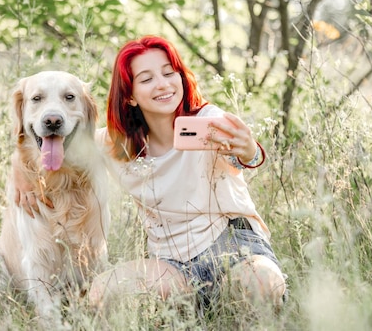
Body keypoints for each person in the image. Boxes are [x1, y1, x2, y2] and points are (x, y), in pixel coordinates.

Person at [15, 35, 287, 312]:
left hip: (233, 247)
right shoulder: (115, 144)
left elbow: (245, 156)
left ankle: (233, 302)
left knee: (261, 283)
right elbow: (48, 146)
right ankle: (198, 307)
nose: (163, 84)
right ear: (130, 95)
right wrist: (19, 173)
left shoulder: (206, 121)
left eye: (169, 73)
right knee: (102, 292)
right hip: (171, 263)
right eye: (146, 79)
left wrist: (248, 149)